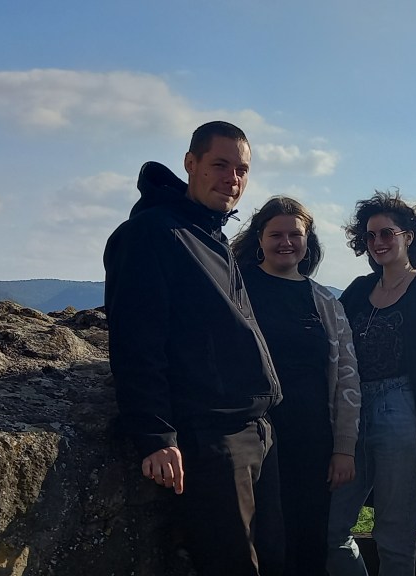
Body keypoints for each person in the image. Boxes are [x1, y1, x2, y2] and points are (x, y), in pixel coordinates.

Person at [103, 121, 285, 575]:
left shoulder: (210, 235)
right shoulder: (153, 234)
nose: (232, 179)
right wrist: (155, 436)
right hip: (213, 439)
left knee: (272, 561)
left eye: (242, 169)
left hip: (255, 432)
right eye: (220, 165)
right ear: (190, 163)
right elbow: (135, 340)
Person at [230, 196, 361, 576]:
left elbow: (346, 377)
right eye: (276, 234)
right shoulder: (236, 289)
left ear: (307, 240)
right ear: (260, 238)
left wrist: (344, 448)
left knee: (308, 537)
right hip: (251, 436)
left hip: (311, 439)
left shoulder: (324, 301)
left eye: (295, 234)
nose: (286, 242)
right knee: (258, 539)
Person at [326, 191, 416, 576]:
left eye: (387, 233)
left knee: (395, 536)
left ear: (408, 237)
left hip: (402, 407)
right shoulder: (358, 290)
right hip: (352, 410)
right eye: (370, 236)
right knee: (331, 527)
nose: (378, 242)